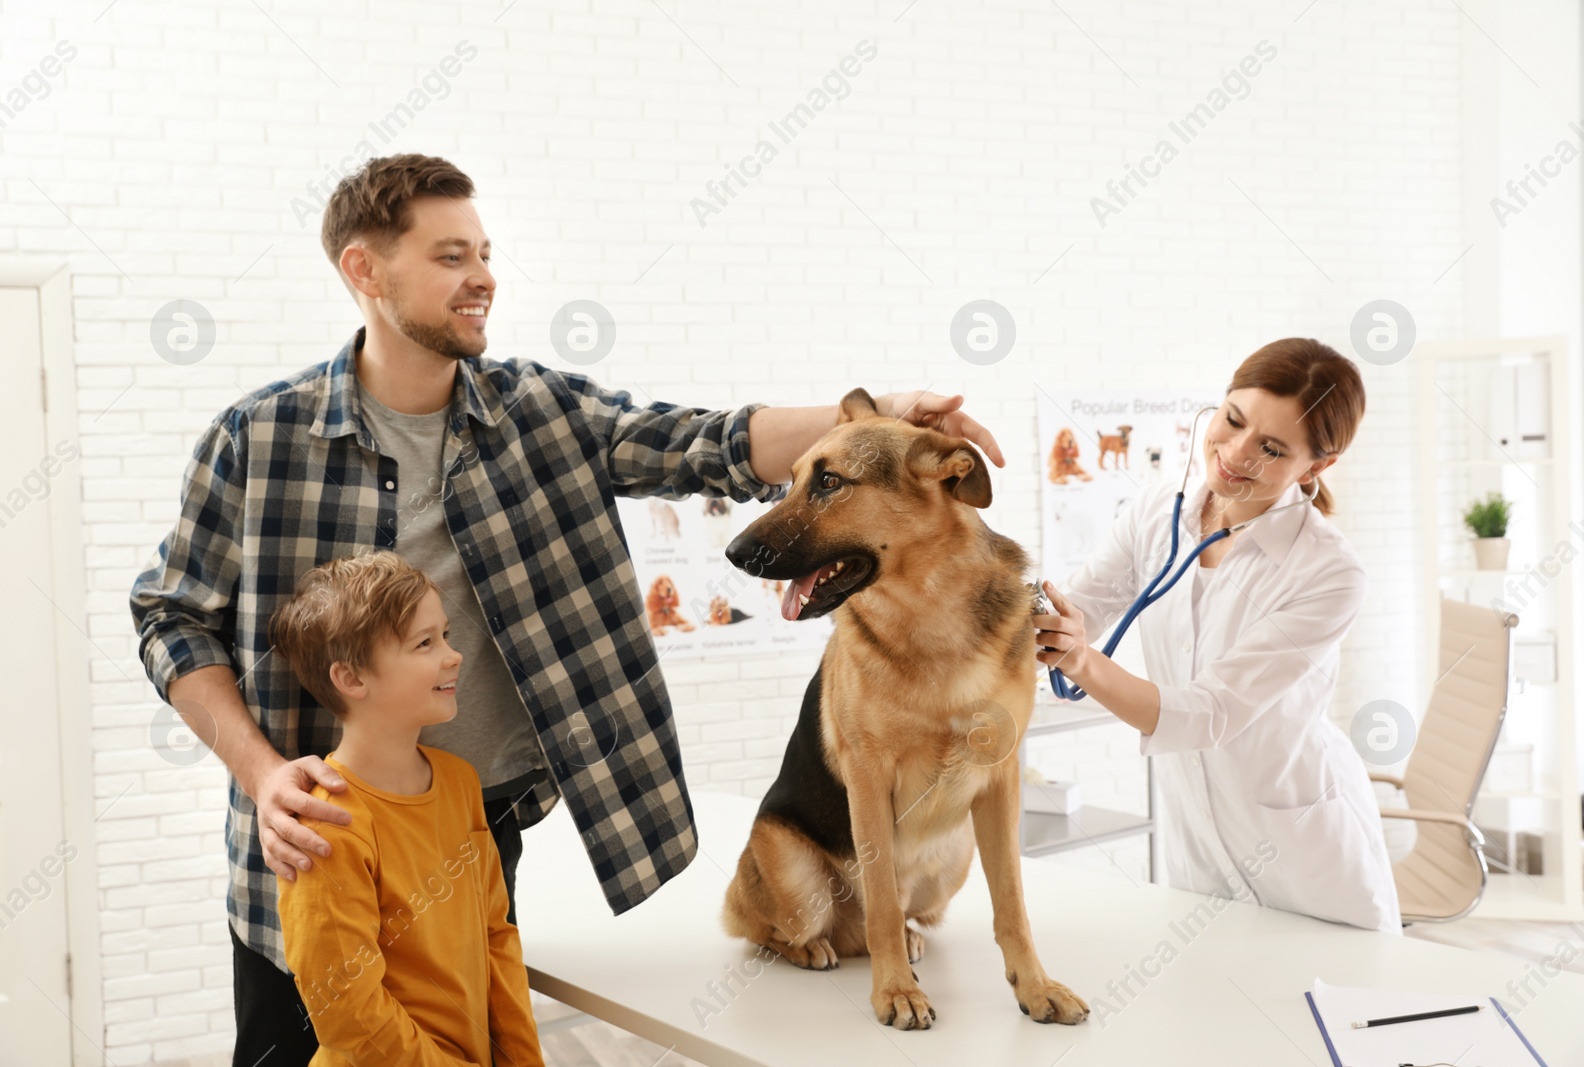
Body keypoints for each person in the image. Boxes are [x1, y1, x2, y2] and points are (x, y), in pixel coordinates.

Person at [128, 152, 1003, 1066]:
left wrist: (881, 416)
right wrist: (264, 772)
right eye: (451, 256)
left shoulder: (542, 411)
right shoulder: (260, 438)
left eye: (486, 253)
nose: (484, 279)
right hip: (314, 842)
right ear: (364, 270)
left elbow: (704, 441)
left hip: (477, 825)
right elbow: (170, 616)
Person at [1033, 338, 1401, 932]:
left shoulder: (1329, 572)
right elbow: (1081, 608)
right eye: (1232, 420)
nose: (1234, 454)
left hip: (1306, 861)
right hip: (1195, 848)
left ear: (1318, 466)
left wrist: (1080, 660)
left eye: (1272, 448)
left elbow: (1207, 713)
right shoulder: (1157, 512)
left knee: (1329, 1015)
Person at [270, 551, 545, 1066]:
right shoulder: (327, 826)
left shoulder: (462, 784)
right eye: (425, 643)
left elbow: (495, 935)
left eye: (445, 635)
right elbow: (348, 1013)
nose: (453, 655)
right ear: (351, 679)